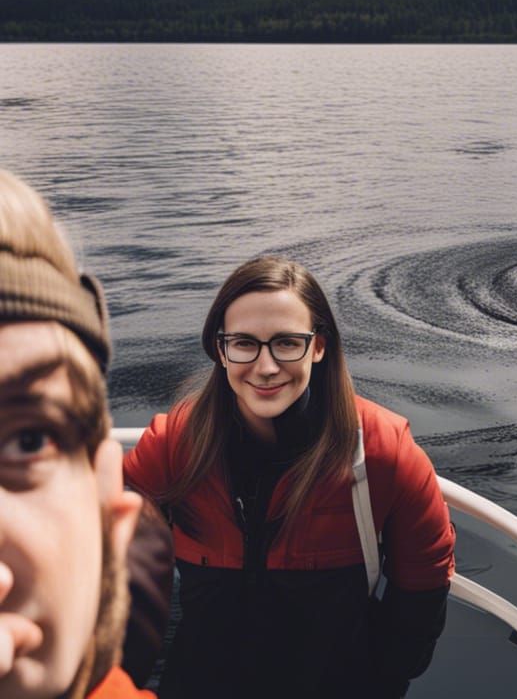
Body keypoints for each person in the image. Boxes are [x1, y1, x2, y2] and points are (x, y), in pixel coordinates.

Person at [123, 255, 455, 699]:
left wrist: (388, 677)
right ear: (220, 349)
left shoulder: (380, 451)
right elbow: (106, 541)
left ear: (318, 346)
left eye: (286, 343)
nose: (264, 366)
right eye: (244, 343)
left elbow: (424, 580)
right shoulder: (176, 444)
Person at [0, 169, 155, 699]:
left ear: (110, 523)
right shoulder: (185, 437)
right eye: (243, 345)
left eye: (27, 441)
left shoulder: (381, 452)